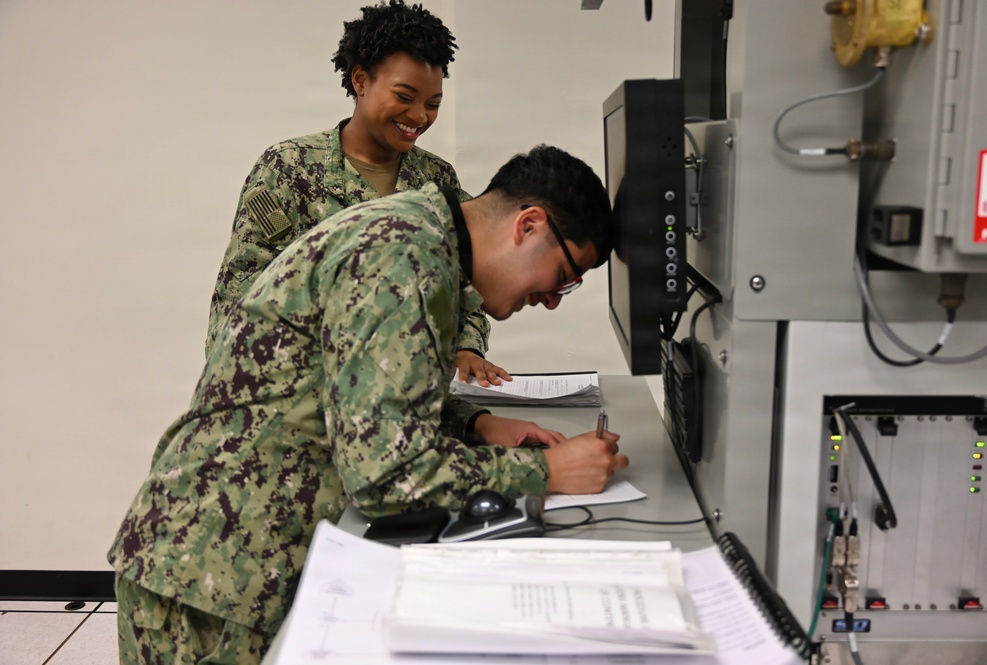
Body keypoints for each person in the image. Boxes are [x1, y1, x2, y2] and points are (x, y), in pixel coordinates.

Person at [109, 145, 628, 664]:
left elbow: (364, 387)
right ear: (529, 225)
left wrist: (477, 423)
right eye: (564, 274)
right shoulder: (404, 257)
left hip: (225, 555)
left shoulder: (421, 237)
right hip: (211, 575)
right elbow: (386, 475)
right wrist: (544, 470)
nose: (555, 298)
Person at [206, 0, 510, 386]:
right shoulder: (287, 170)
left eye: (433, 104)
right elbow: (239, 308)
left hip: (402, 408)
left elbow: (466, 285)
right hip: (302, 408)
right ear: (361, 81)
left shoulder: (437, 181)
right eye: (404, 97)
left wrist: (467, 349)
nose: (419, 116)